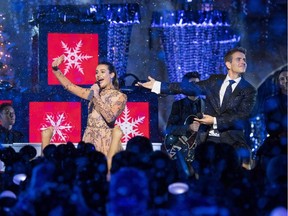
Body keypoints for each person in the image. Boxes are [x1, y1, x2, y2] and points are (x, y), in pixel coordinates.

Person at [137, 47, 257, 168]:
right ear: (228, 64)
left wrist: (214, 121)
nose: (243, 62)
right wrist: (158, 85)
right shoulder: (215, 81)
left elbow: (242, 116)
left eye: (244, 60)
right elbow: (188, 87)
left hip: (231, 141)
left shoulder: (249, 90)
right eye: (238, 59)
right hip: (208, 139)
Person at [51, 55, 127, 156]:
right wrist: (55, 69)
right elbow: (70, 87)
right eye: (97, 72)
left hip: (106, 141)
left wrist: (96, 96)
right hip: (89, 139)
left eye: (103, 72)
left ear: (112, 75)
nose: (98, 75)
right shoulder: (92, 93)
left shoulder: (120, 96)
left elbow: (110, 118)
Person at [165, 72, 204, 161]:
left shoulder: (207, 104)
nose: (196, 86)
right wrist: (189, 127)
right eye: (192, 83)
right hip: (184, 151)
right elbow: (169, 129)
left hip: (202, 149)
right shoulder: (178, 105)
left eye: (198, 83)